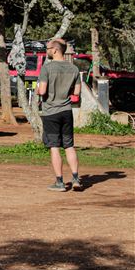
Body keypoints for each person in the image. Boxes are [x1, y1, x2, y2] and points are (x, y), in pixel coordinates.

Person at [37, 38, 82, 192]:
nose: (46, 50)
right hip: (67, 111)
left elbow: (42, 91)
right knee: (69, 146)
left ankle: (60, 182)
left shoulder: (47, 68)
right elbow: (76, 93)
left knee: (55, 146)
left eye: (48, 47)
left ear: (55, 50)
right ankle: (76, 179)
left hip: (51, 112)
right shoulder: (74, 69)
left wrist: (38, 90)